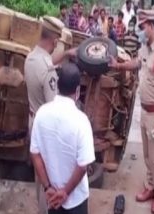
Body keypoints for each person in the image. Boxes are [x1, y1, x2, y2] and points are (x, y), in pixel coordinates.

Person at [109, 9, 154, 213]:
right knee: (147, 155)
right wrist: (118, 66)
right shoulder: (146, 49)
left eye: (144, 27)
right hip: (145, 112)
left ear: (152, 27)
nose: (142, 31)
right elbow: (137, 63)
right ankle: (150, 187)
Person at [24, 16, 75, 214]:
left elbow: (46, 63)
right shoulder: (48, 71)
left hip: (33, 120)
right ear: (54, 41)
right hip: (46, 130)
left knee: (39, 176)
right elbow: (55, 109)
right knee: (50, 178)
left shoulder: (31, 57)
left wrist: (65, 54)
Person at [30, 63, 95, 214]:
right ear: (78, 90)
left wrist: (48, 187)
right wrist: (65, 192)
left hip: (52, 198)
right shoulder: (81, 120)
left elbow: (35, 153)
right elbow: (83, 165)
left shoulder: (41, 114)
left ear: (57, 86)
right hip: (75, 200)